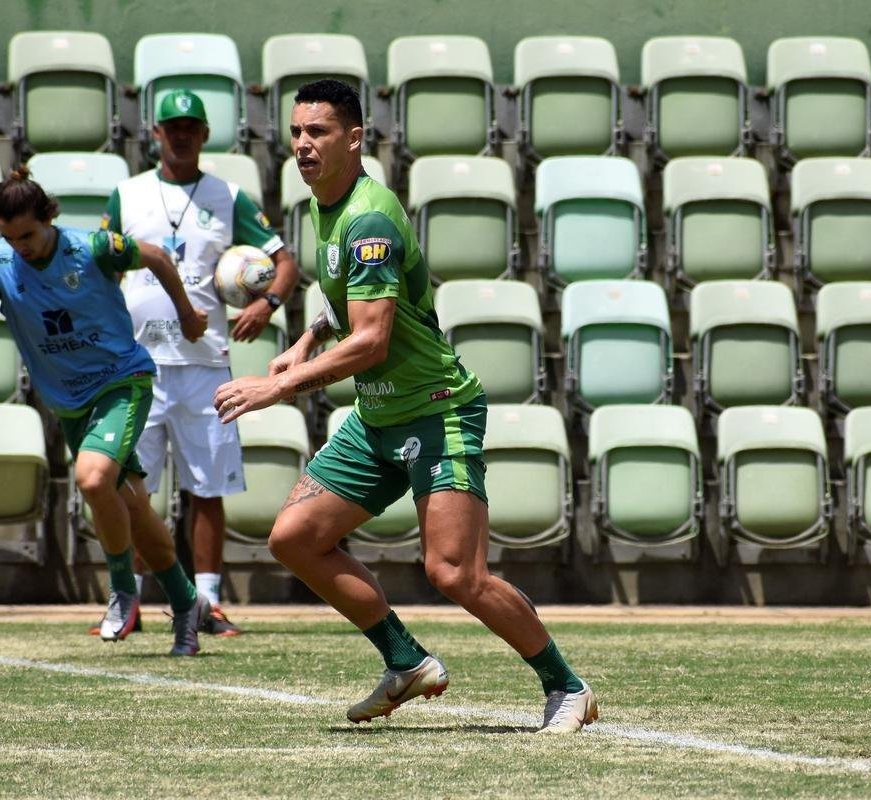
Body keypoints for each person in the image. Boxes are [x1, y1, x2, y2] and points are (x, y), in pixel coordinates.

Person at [212, 79, 598, 732]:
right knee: (295, 538)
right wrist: (305, 336)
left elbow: (373, 338)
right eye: (298, 132)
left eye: (319, 132)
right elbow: (348, 300)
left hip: (436, 409)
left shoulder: (366, 215)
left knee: (453, 572)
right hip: (378, 417)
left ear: (354, 137)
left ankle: (566, 686)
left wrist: (278, 385)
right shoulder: (324, 209)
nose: (303, 144)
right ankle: (406, 661)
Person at [0, 166, 212, 656]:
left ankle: (122, 591)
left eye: (27, 233)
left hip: (120, 382)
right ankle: (186, 603)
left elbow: (153, 256)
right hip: (69, 403)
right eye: (9, 236)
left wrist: (188, 314)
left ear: (49, 218)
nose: (20, 246)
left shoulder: (92, 247)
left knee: (92, 480)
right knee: (131, 505)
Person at [100, 88, 300, 636]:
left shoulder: (228, 195)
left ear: (205, 133)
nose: (182, 133)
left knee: (208, 487)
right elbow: (102, 267)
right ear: (156, 133)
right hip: (138, 365)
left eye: (191, 125)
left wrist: (267, 303)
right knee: (129, 488)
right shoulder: (128, 194)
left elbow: (285, 262)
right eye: (172, 125)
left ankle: (208, 601)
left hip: (205, 363)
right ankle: (128, 599)